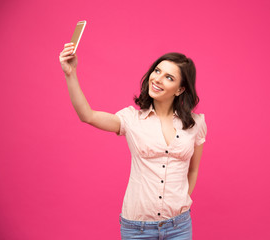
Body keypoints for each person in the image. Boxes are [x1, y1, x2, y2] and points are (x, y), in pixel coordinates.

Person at [59, 42, 207, 240]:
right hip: (138, 229)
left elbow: (193, 169)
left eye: (168, 77)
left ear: (180, 89)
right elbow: (88, 116)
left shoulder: (196, 124)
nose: (158, 79)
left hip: (179, 226)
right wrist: (70, 73)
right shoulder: (131, 119)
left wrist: (181, 198)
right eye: (157, 71)